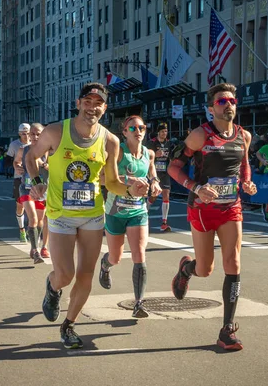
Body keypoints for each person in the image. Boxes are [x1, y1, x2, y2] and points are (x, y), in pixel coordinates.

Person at [27, 83, 149, 349]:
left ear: (104, 108)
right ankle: (52, 287)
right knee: (65, 275)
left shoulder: (110, 141)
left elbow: (112, 183)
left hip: (93, 215)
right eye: (88, 101)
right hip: (60, 214)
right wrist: (36, 180)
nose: (92, 107)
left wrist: (130, 188)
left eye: (98, 103)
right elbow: (31, 156)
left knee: (85, 274)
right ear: (78, 102)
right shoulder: (56, 131)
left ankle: (68, 325)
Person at [167, 83, 257, 351]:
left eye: (232, 100)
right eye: (221, 101)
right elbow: (173, 167)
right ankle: (186, 269)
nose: (228, 104)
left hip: (231, 206)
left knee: (234, 261)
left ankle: (227, 329)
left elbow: (244, 165)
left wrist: (247, 183)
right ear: (211, 108)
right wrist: (196, 188)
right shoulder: (200, 135)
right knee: (205, 270)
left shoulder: (244, 135)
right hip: (202, 208)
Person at [99, 115, 162, 318]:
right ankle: (105, 265)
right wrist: (129, 180)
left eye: (141, 127)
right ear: (124, 132)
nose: (138, 131)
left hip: (138, 210)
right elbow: (102, 178)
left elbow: (152, 174)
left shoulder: (149, 153)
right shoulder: (118, 152)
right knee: (116, 257)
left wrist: (155, 183)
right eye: (133, 128)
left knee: (139, 254)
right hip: (115, 211)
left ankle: (139, 303)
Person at [14, 123, 50, 264]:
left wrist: (43, 164)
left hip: (42, 191)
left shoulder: (49, 151)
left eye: (38, 134)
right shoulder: (24, 150)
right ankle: (35, 250)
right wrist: (17, 168)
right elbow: (16, 162)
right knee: (33, 219)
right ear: (29, 135)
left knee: (40, 221)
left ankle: (37, 245)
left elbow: (55, 168)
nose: (35, 137)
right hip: (26, 189)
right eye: (32, 134)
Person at [6, 123, 31, 242]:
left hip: (35, 178)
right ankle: (22, 230)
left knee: (36, 206)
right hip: (19, 178)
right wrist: (15, 167)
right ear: (19, 134)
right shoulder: (14, 145)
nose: (26, 136)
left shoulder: (36, 143)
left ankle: (32, 229)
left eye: (27, 133)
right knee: (20, 206)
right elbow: (8, 160)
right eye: (23, 134)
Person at [146, 122, 173, 231]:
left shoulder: (169, 144)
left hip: (165, 173)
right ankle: (145, 212)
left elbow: (171, 158)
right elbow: (146, 157)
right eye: (162, 131)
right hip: (154, 173)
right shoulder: (151, 143)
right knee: (154, 196)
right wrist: (155, 155)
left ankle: (164, 223)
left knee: (166, 194)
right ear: (158, 132)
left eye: (166, 131)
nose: (164, 133)